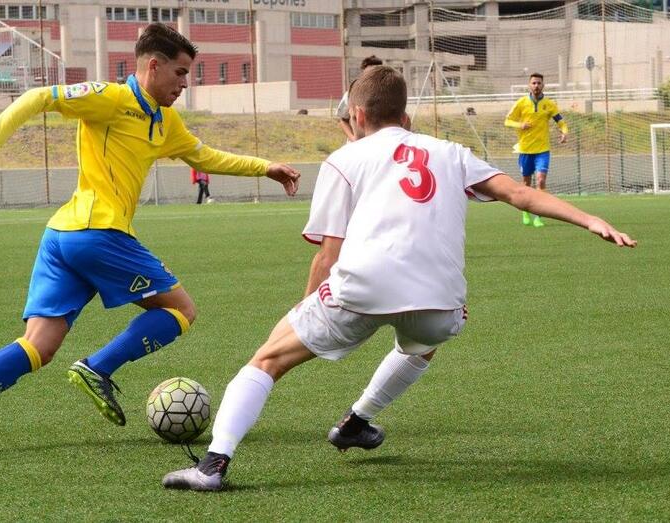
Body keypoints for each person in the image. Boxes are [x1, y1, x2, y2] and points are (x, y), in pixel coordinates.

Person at [161, 65, 635, 491]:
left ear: (357, 115)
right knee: (424, 341)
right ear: (405, 116)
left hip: (360, 289)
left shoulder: (343, 160)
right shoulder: (451, 152)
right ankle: (356, 422)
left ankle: (213, 465)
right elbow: (519, 194)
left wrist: (305, 309)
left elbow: (329, 253)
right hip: (440, 302)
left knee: (267, 360)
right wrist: (590, 219)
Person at [0, 23, 300, 453]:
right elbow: (38, 96)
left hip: (63, 236)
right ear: (153, 66)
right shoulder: (110, 98)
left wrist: (264, 167)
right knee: (181, 309)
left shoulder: (165, 121)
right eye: (180, 72)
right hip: (98, 233)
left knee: (39, 345)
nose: (185, 83)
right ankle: (97, 367)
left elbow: (205, 156)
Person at [504, 72, 568, 228]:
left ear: (543, 85)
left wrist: (565, 132)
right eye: (534, 83)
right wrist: (520, 125)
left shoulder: (549, 104)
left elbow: (560, 121)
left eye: (539, 83)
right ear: (529, 85)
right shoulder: (521, 103)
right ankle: (525, 211)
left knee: (540, 180)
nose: (536, 86)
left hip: (542, 150)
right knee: (526, 183)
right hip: (525, 150)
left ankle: (538, 217)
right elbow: (507, 121)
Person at [336, 55, 383, 142]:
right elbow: (342, 119)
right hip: (357, 145)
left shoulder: (388, 95)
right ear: (363, 74)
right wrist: (353, 139)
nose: (373, 76)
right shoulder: (351, 93)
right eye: (369, 73)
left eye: (376, 73)